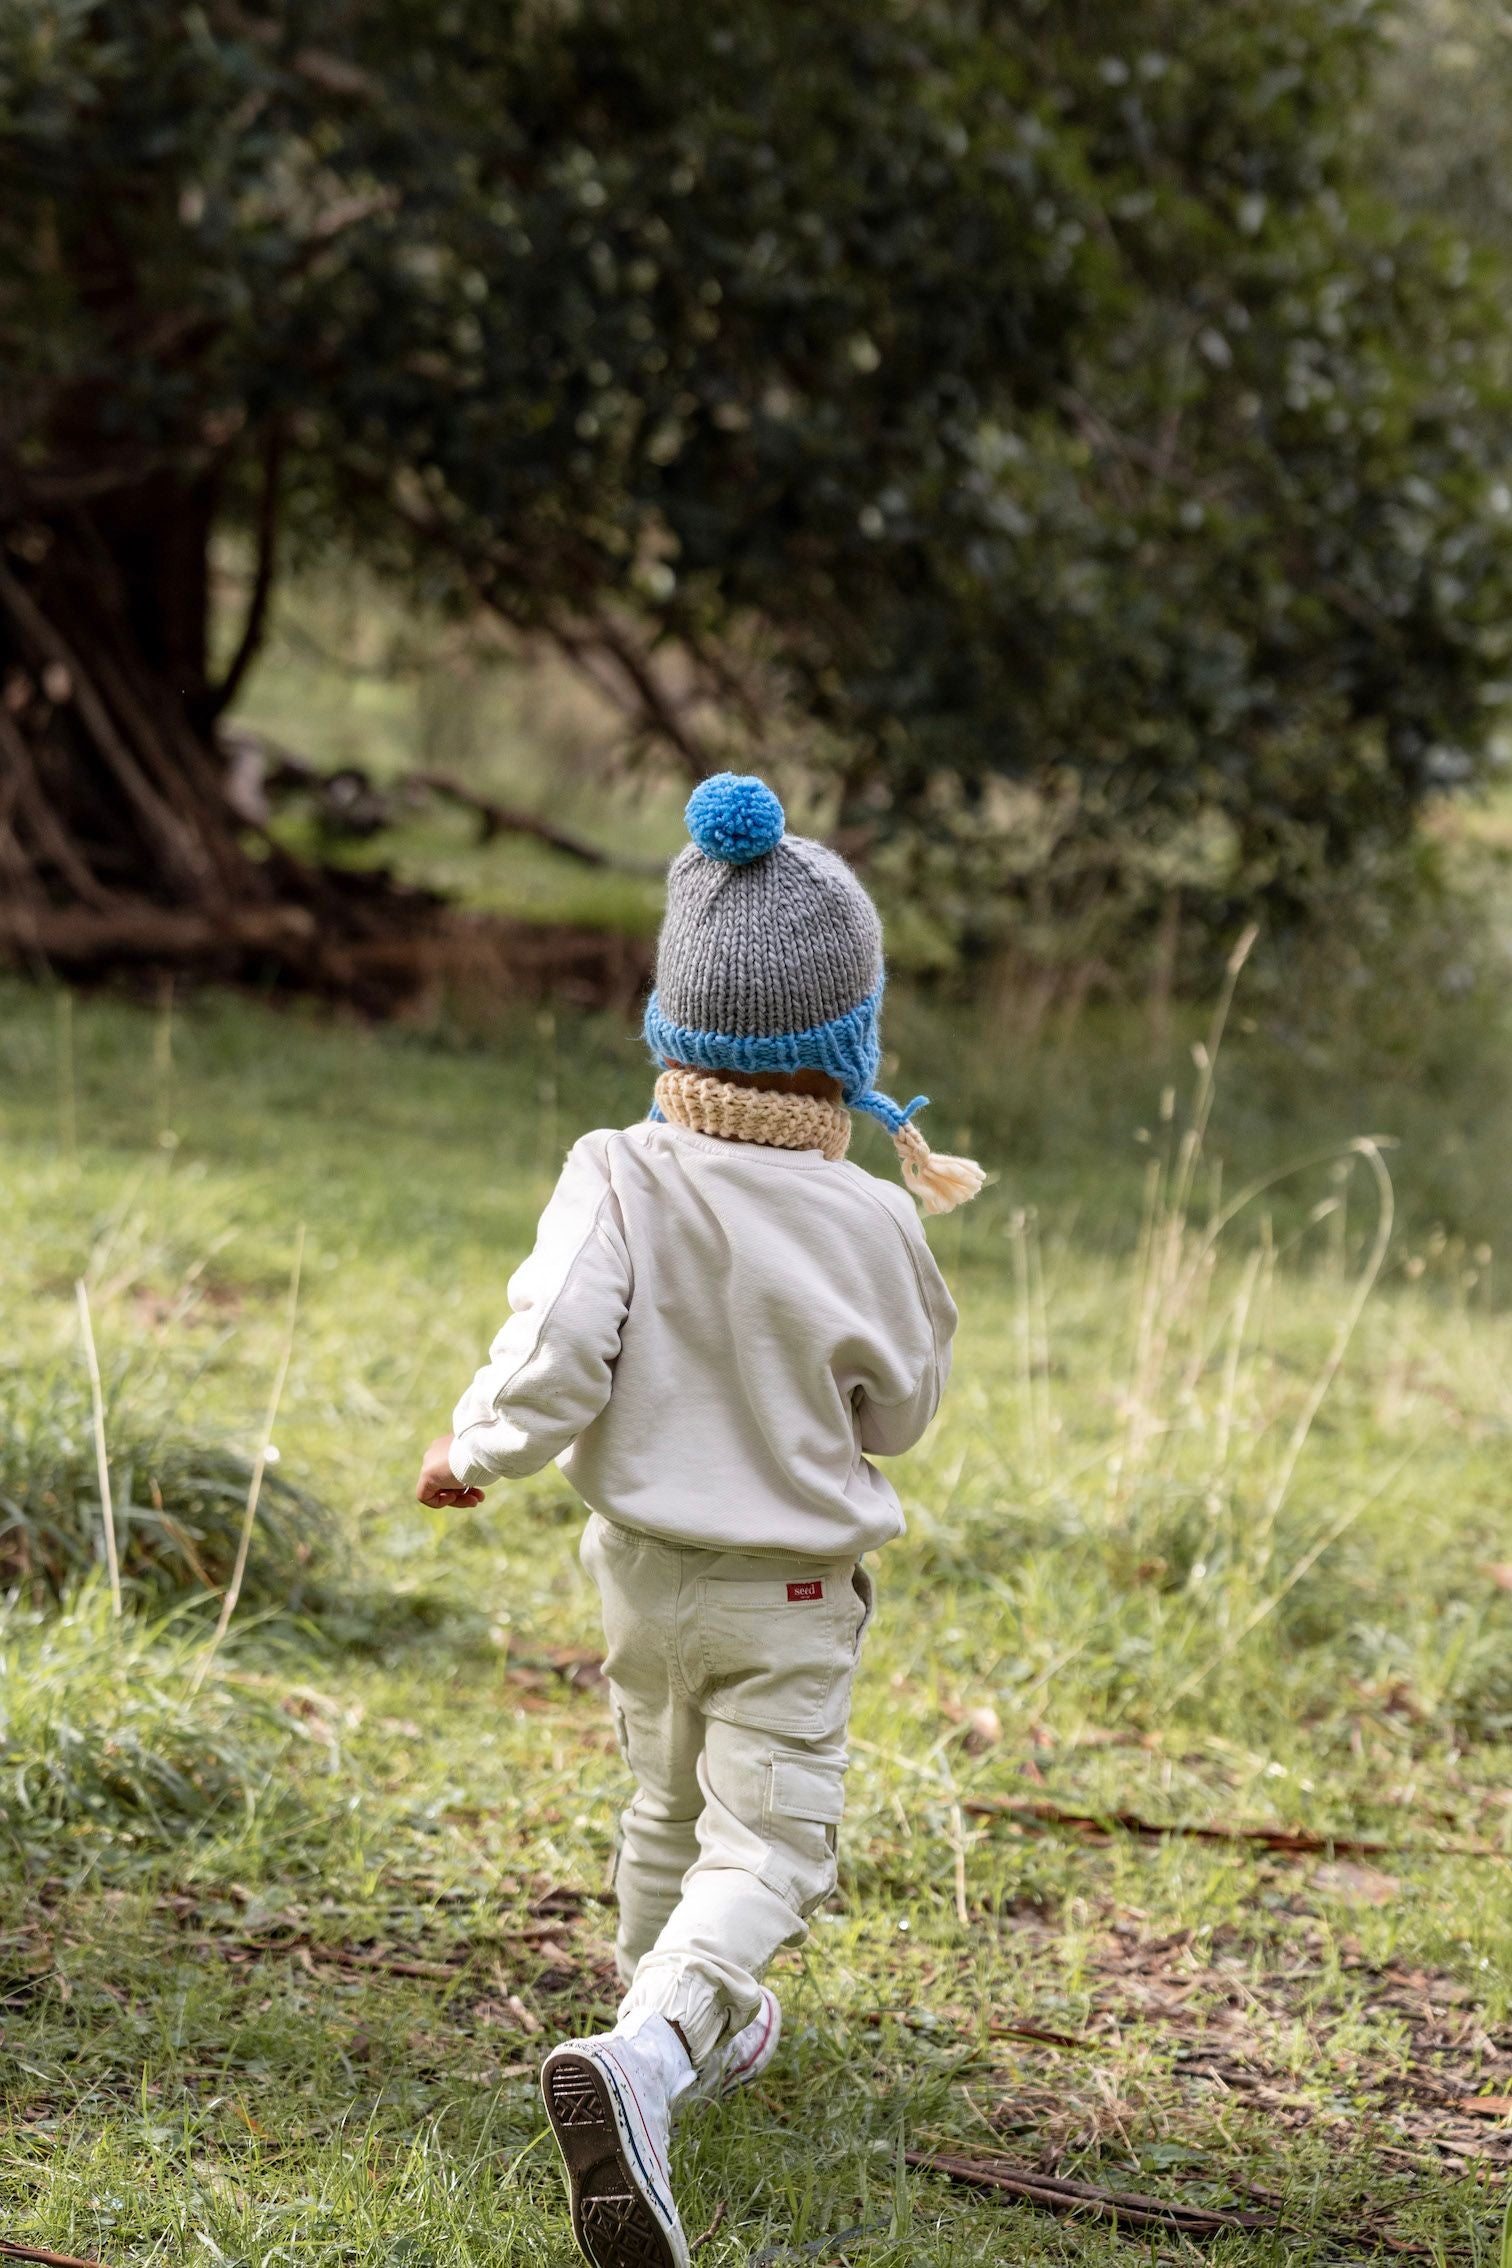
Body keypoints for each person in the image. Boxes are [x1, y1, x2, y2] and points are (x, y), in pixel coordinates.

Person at [416, 774, 981, 2268]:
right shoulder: (873, 1219)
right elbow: (904, 1406)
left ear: (674, 1020)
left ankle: (652, 2035)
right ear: (847, 1050)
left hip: (636, 1575)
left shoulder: (615, 1169)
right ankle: (655, 2053)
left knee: (660, 1806)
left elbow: (552, 1350)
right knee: (771, 1845)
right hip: (787, 1597)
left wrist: (475, 1447)